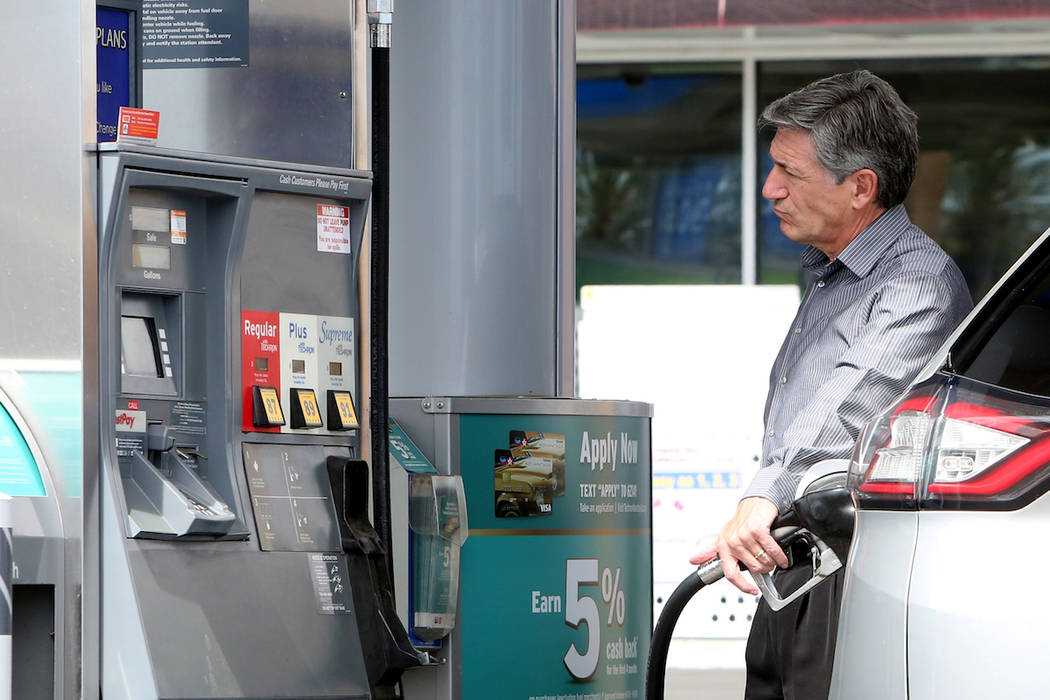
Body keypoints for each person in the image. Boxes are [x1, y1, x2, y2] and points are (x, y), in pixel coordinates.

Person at [689, 70, 973, 699]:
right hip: (794, 567)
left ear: (860, 187)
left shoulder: (915, 285)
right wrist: (766, 514)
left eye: (790, 172)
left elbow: (850, 404)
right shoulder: (833, 275)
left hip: (852, 578)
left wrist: (762, 500)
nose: (770, 189)